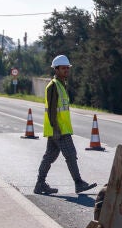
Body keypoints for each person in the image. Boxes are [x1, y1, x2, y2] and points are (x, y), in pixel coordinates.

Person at [33, 55, 97, 196]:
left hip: (59, 129)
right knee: (71, 154)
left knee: (49, 157)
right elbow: (51, 110)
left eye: (67, 68)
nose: (66, 70)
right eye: (63, 68)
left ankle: (40, 184)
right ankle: (78, 183)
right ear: (56, 69)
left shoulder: (61, 84)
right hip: (59, 130)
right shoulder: (54, 86)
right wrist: (56, 129)